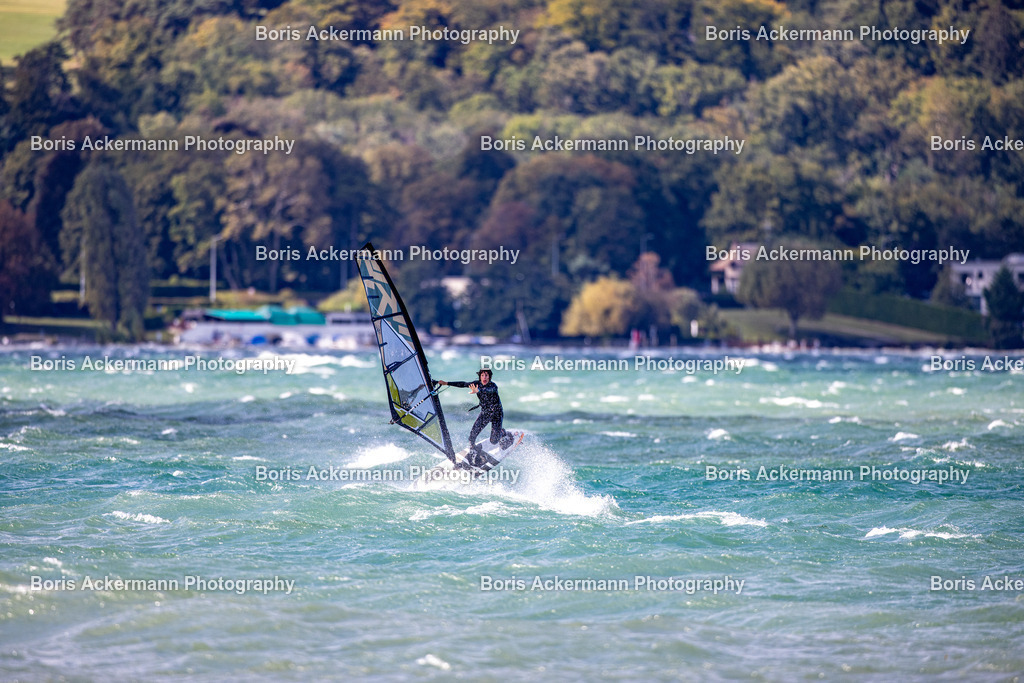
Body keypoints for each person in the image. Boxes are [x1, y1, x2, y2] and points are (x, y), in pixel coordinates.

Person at [437, 369, 515, 453]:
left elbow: (488, 391)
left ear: (489, 377)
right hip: (485, 414)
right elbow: (463, 384)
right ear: (480, 377)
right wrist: (446, 383)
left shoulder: (493, 386)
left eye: (486, 375)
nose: (484, 377)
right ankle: (473, 451)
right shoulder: (476, 384)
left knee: (494, 441)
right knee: (472, 437)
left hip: (497, 414)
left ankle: (503, 432)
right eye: (482, 375)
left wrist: (478, 391)